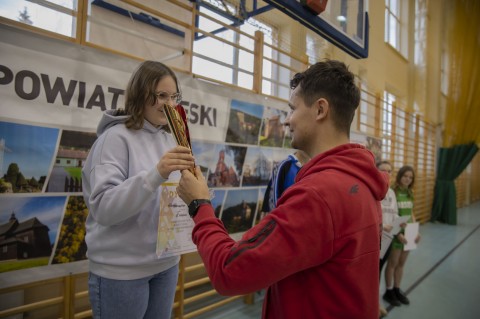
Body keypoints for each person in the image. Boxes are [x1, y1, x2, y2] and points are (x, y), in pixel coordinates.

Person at [177, 60, 389, 318]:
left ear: (320, 109)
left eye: (292, 108)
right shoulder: (361, 180)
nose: (287, 120)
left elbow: (228, 271)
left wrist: (199, 204)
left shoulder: (319, 194)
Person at [82, 60, 195, 319]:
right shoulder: (114, 139)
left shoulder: (170, 138)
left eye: (173, 96)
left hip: (166, 264)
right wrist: (156, 174)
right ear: (140, 94)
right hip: (121, 271)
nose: (168, 103)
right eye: (161, 95)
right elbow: (103, 208)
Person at [383, 165, 421, 307]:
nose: (407, 179)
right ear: (399, 176)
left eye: (410, 177)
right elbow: (392, 214)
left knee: (401, 264)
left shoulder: (410, 192)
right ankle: (389, 290)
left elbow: (411, 213)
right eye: (405, 176)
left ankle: (397, 289)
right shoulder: (394, 192)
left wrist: (416, 230)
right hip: (397, 232)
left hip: (409, 230)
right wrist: (398, 233)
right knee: (392, 263)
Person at [376, 160, 399, 317]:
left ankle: (376, 302)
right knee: (373, 273)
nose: (386, 173)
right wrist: (383, 226)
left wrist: (397, 230)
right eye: (383, 170)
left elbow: (395, 214)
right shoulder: (374, 191)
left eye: (389, 171)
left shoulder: (391, 192)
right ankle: (374, 305)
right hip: (375, 239)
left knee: (380, 270)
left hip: (388, 239)